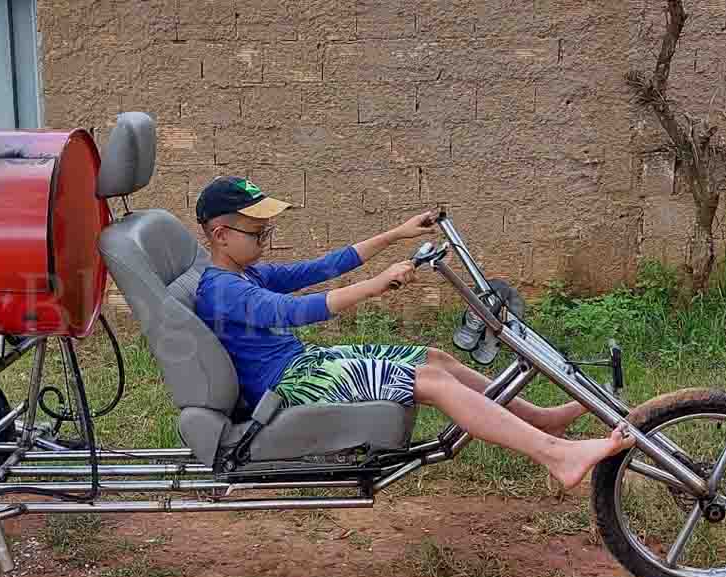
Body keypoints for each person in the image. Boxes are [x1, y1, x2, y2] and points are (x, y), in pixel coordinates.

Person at [193, 176, 635, 489]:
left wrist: (397, 233)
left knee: (432, 358)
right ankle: (556, 457)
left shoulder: (246, 273)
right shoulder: (223, 289)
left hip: (302, 365)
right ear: (220, 233)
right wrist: (375, 286)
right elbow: (293, 311)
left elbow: (324, 266)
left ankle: (538, 418)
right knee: (432, 383)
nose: (265, 239)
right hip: (287, 384)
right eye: (258, 232)